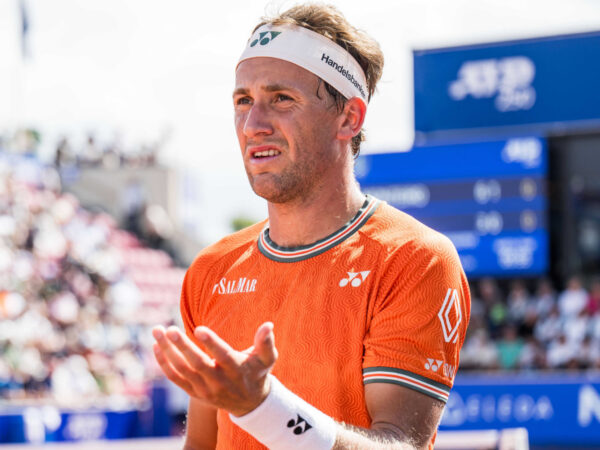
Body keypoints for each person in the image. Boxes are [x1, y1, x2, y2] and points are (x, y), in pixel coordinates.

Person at [152, 4, 470, 449]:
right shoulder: (211, 269)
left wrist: (264, 408)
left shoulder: (414, 257)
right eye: (243, 100)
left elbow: (400, 445)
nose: (253, 124)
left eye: (282, 98)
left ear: (348, 118)